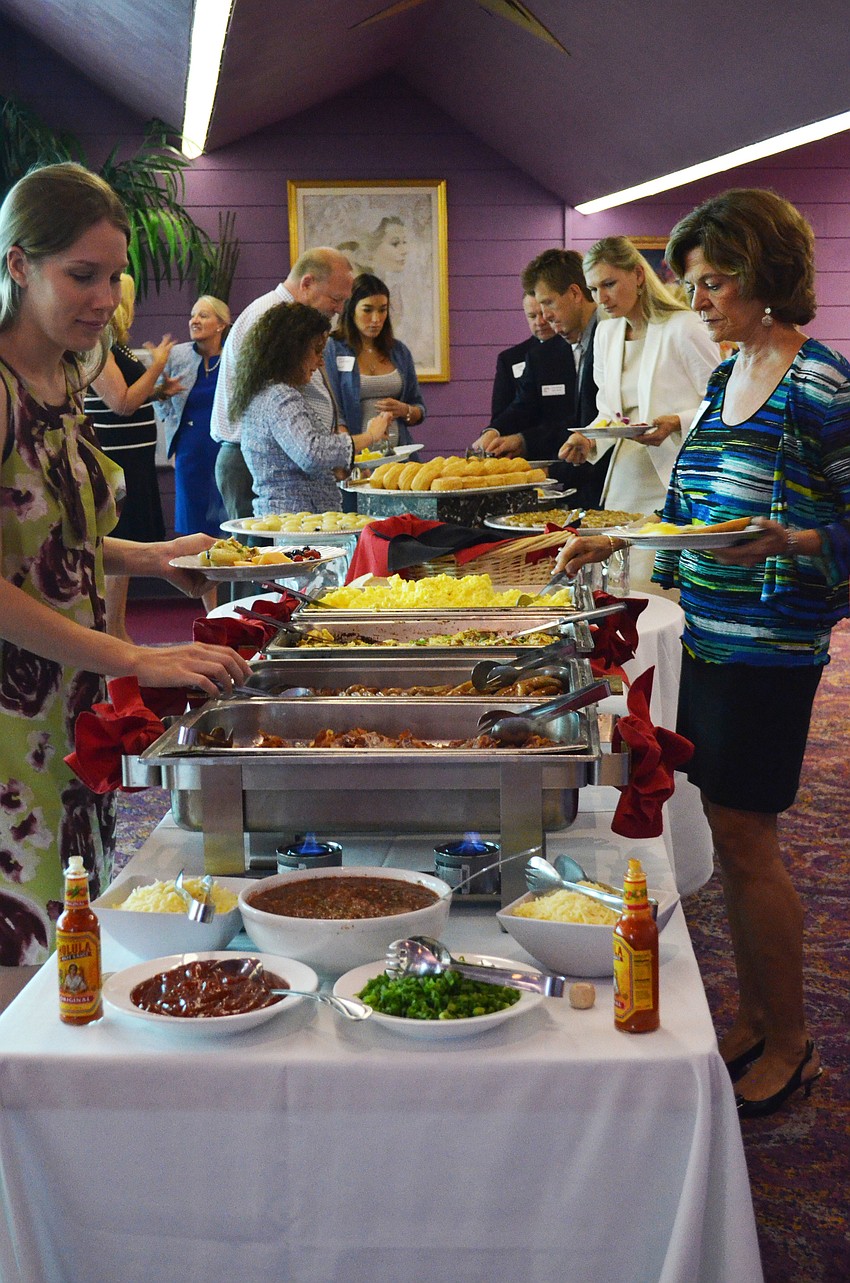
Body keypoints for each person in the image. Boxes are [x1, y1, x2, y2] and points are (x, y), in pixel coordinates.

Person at [555, 188, 850, 1117]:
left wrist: (795, 542)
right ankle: (759, 1015)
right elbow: (686, 513)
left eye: (714, 281)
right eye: (693, 282)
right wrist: (615, 536)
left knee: (754, 841)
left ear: (766, 277)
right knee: (728, 829)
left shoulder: (819, 382)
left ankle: (795, 1042)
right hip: (713, 629)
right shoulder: (727, 375)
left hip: (773, 642)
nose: (702, 299)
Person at [0, 162, 251, 983]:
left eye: (113, 276)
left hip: (67, 697)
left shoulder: (66, 377)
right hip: (12, 720)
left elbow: (49, 540)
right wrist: (134, 657)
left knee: (76, 918)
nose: (106, 298)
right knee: (29, 940)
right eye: (82, 275)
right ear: (16, 266)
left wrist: (149, 556)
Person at [559, 236, 720, 516]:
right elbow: (609, 413)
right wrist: (588, 440)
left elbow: (722, 405)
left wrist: (676, 422)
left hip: (678, 474)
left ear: (638, 275)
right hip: (626, 475)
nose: (601, 298)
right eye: (593, 289)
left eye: (609, 284)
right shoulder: (606, 334)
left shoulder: (684, 327)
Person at [210, 248, 354, 521]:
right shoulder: (271, 315)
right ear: (307, 283)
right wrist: (341, 448)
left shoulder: (288, 317)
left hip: (285, 461)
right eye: (335, 299)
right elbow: (279, 405)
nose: (339, 309)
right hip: (263, 465)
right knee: (268, 558)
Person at [472, 250, 606, 508]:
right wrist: (494, 431)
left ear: (576, 294)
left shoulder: (610, 336)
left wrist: (527, 444)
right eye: (534, 313)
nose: (545, 319)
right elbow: (523, 406)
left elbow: (592, 419)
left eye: (549, 305)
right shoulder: (546, 352)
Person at [84, 273, 178, 640]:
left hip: (134, 457)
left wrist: (157, 392)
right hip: (118, 459)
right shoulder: (100, 345)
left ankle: (117, 626)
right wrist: (157, 363)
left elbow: (130, 397)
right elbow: (121, 403)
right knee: (118, 534)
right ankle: (114, 629)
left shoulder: (117, 345)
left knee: (128, 537)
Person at [233, 302, 388, 515]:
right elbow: (312, 454)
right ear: (292, 351)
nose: (320, 361)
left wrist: (335, 467)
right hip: (296, 523)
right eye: (316, 351)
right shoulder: (279, 396)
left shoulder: (267, 392)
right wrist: (370, 436)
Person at [154, 295, 232, 613]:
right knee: (196, 529)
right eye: (192, 315)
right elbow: (158, 395)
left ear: (221, 325)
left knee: (227, 527)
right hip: (190, 452)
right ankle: (211, 610)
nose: (194, 321)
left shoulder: (233, 356)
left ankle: (233, 603)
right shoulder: (178, 355)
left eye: (203, 315)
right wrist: (171, 423)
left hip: (226, 453)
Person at [324, 272, 424, 451]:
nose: (376, 319)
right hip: (357, 458)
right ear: (351, 308)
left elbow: (419, 409)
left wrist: (405, 410)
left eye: (382, 310)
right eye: (367, 310)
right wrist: (351, 456)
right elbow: (334, 414)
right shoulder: (333, 349)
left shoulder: (399, 351)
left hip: (398, 456)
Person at [489, 292, 556, 421]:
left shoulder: (575, 349)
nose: (540, 322)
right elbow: (500, 415)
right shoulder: (510, 359)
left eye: (543, 313)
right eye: (532, 316)